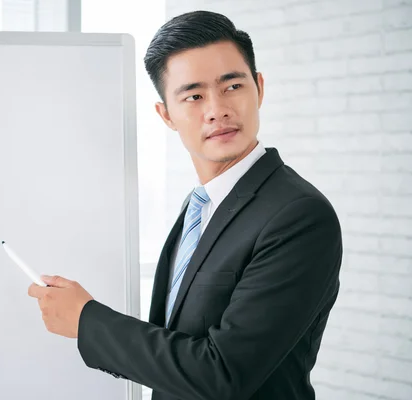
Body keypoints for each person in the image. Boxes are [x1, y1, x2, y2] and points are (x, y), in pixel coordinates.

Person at [28, 10, 342, 400]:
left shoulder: (299, 215)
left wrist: (86, 320)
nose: (217, 109)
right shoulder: (199, 207)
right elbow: (178, 345)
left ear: (259, 88)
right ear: (166, 115)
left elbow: (223, 374)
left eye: (232, 87)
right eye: (194, 96)